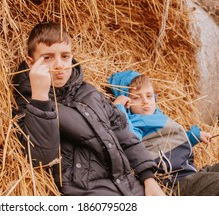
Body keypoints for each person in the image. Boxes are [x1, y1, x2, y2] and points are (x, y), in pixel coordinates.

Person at [12, 22, 165, 196]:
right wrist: (40, 97)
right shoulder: (28, 102)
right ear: (31, 63)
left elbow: (124, 134)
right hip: (87, 193)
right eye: (47, 57)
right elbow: (41, 158)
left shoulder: (90, 93)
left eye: (65, 56)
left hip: (128, 186)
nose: (59, 65)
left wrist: (148, 178)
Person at [108, 69, 219, 195]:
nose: (145, 101)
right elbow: (127, 137)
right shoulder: (134, 123)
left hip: (191, 173)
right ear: (128, 101)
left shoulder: (159, 116)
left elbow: (168, 143)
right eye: (136, 97)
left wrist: (193, 137)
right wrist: (119, 107)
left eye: (149, 95)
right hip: (177, 183)